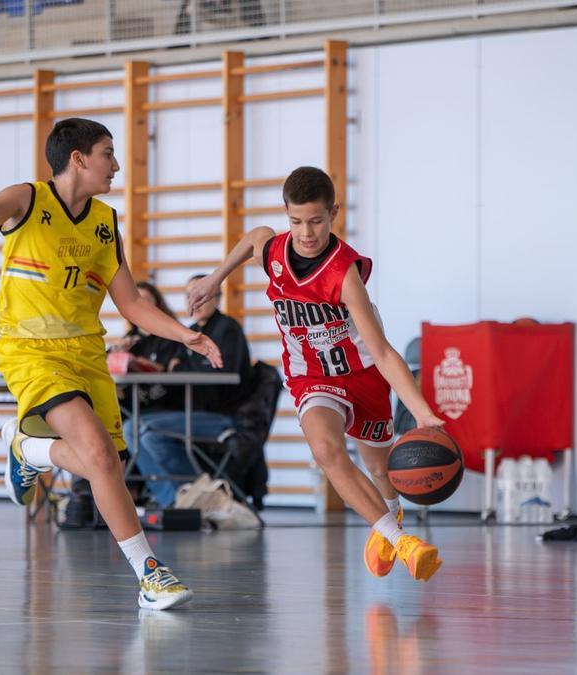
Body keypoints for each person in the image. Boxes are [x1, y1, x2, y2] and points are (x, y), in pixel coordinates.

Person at [0, 117, 223, 610]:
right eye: (107, 153)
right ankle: (149, 575)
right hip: (31, 350)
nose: (115, 165)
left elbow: (132, 304)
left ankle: (28, 450)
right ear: (78, 159)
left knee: (109, 465)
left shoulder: (104, 221)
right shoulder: (25, 200)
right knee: (96, 453)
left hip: (87, 355)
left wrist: (186, 335)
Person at [188, 166, 446, 581]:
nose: (306, 233)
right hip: (311, 378)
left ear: (333, 214)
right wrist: (216, 278)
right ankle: (402, 541)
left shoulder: (344, 275)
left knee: (381, 472)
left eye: (316, 221)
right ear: (287, 215)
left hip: (362, 374)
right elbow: (255, 237)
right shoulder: (274, 252)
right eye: (296, 221)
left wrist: (422, 413)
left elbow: (381, 350)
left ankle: (390, 517)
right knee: (326, 451)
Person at [133, 273, 252, 506]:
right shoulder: (191, 332)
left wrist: (185, 365)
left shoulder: (228, 329)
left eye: (201, 295)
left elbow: (220, 373)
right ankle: (177, 500)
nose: (195, 301)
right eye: (189, 296)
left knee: (147, 430)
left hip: (221, 415)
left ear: (217, 297)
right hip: (191, 411)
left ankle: (196, 495)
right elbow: (174, 367)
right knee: (131, 427)